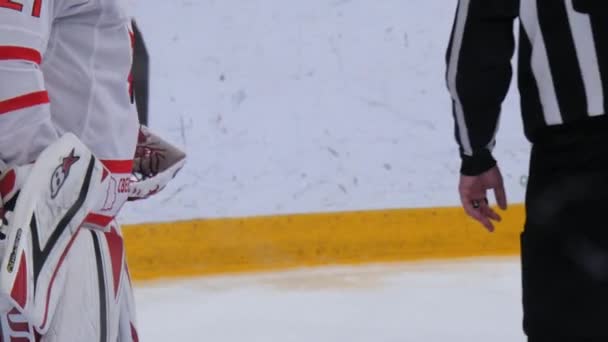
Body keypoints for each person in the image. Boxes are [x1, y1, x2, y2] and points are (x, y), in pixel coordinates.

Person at [0, 0, 185, 340]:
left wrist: (117, 147)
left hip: (77, 228)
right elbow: (6, 64)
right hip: (51, 234)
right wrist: (56, 183)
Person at [446, 1, 608, 341]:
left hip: (575, 159)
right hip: (573, 156)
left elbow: (477, 44)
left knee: (570, 323)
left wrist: (475, 153)